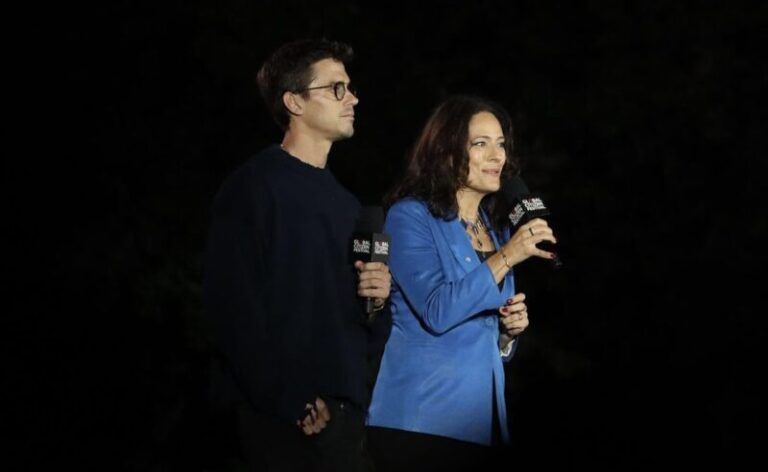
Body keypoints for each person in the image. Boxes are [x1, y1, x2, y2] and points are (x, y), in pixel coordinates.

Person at [203, 39, 391, 472]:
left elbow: (359, 321)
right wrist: (290, 399)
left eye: (351, 87)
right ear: (294, 102)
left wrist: (377, 300)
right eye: (336, 89)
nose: (353, 99)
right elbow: (231, 308)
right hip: (280, 419)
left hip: (346, 420)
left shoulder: (348, 205)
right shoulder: (252, 188)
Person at [366, 95, 558, 471]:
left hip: (480, 425)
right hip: (421, 422)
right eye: (481, 144)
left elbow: (481, 326)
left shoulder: (496, 228)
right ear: (447, 152)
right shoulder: (410, 217)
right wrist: (508, 257)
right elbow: (438, 310)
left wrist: (506, 334)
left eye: (501, 144)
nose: (497, 156)